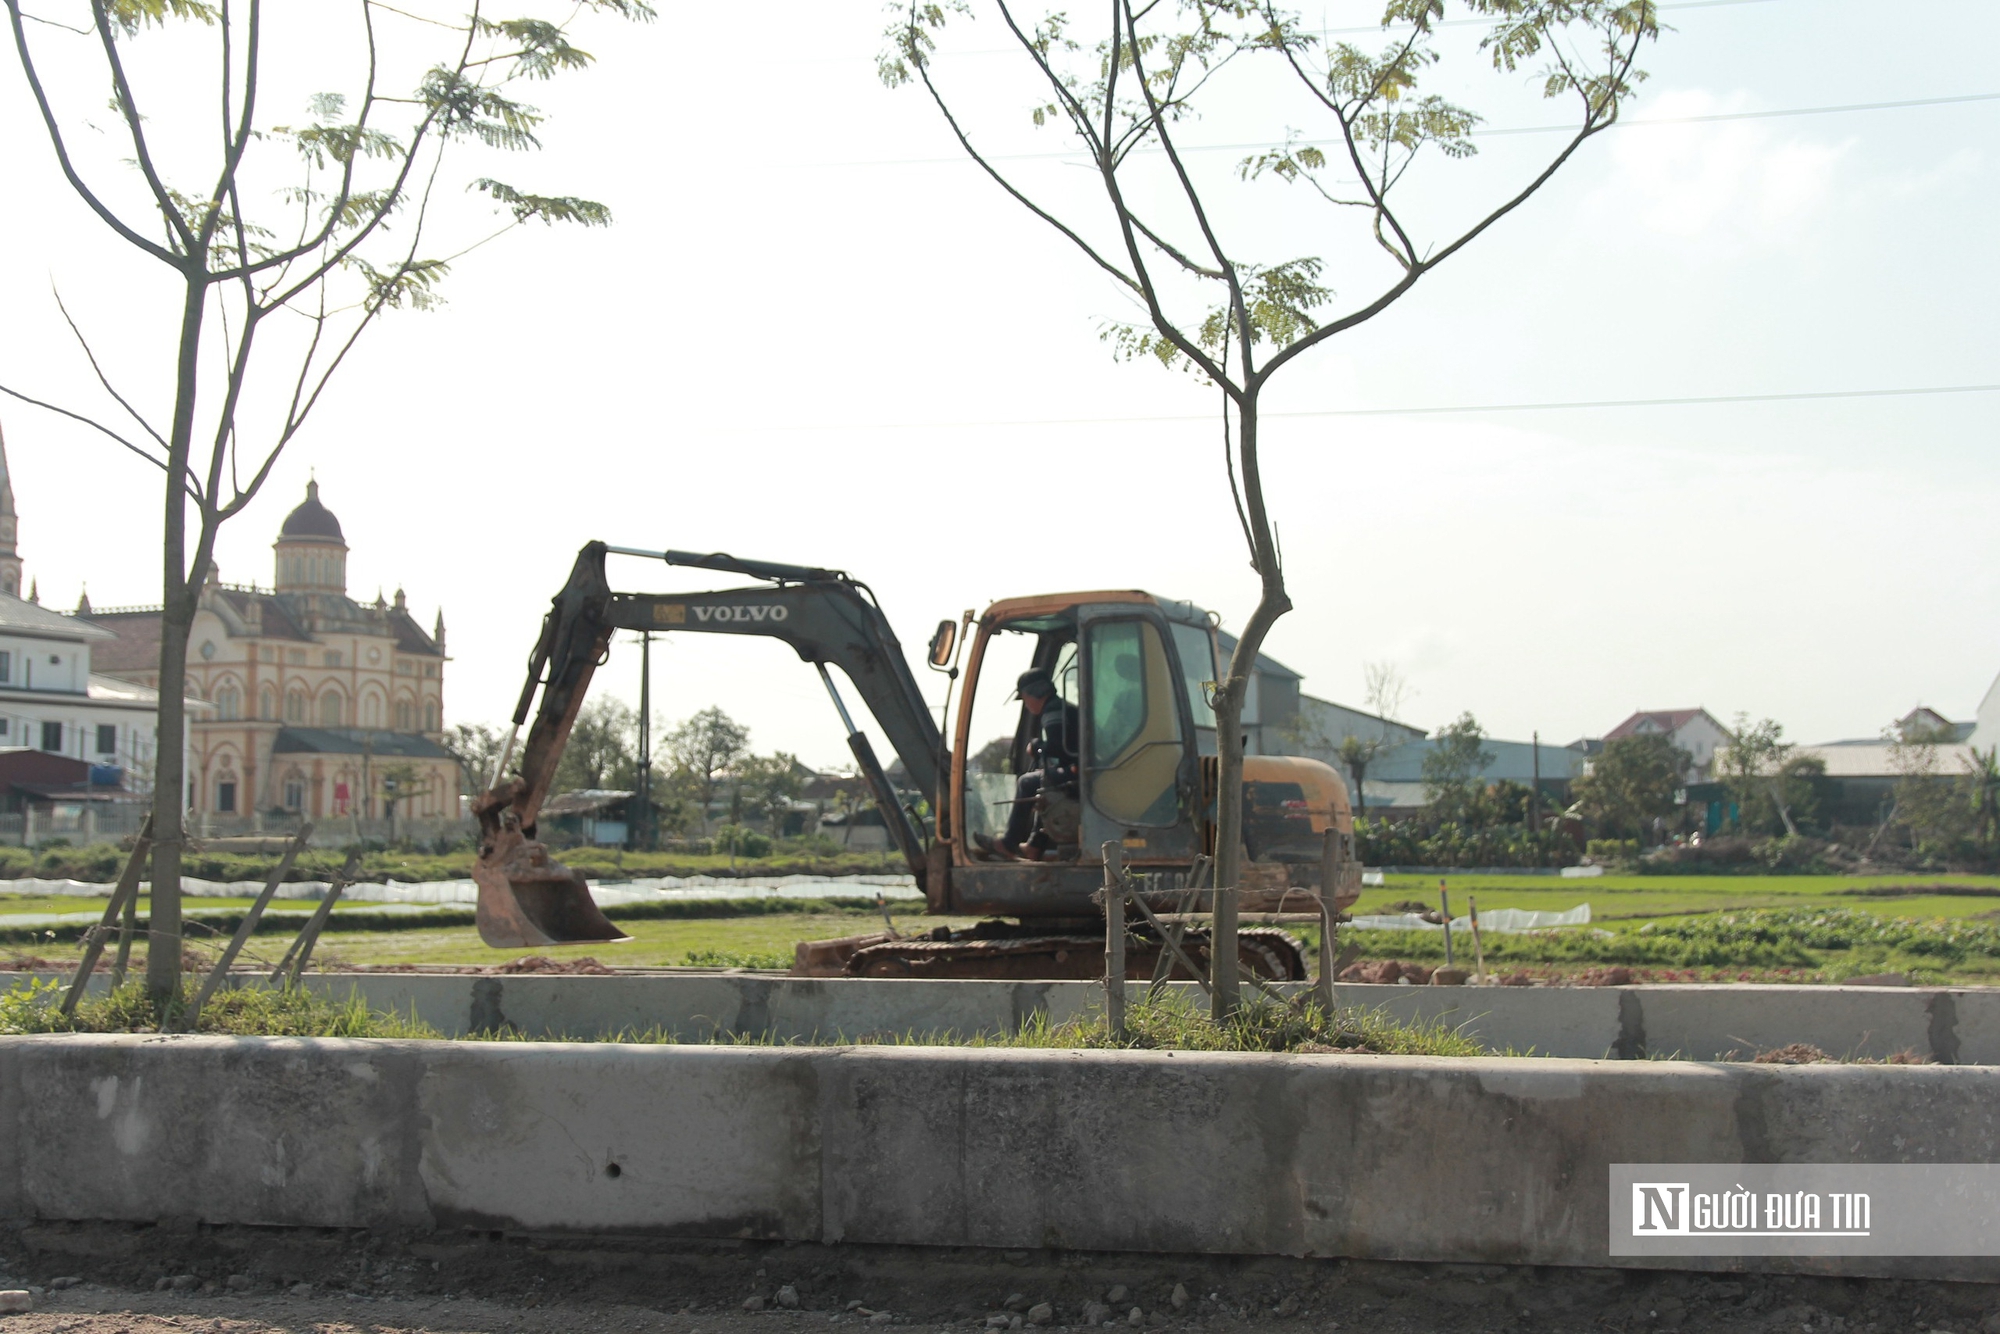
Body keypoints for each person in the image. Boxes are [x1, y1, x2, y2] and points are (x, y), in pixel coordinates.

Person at [978, 667, 1080, 861]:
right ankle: (1034, 846)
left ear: (1036, 692)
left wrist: (1036, 746)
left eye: (1025, 699)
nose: (1026, 705)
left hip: (1076, 772)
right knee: (1043, 787)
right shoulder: (1062, 707)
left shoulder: (1052, 710)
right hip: (1078, 769)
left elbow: (1058, 746)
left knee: (1027, 782)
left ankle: (1009, 843)